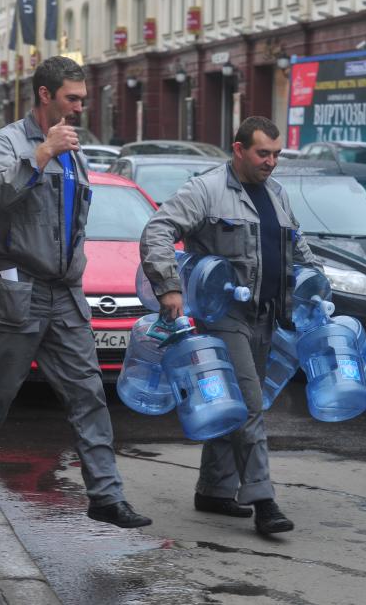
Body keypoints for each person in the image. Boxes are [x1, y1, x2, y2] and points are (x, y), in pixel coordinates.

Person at [0, 56, 151, 529]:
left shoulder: (75, 150)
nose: (79, 108)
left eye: (83, 100)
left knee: (88, 393)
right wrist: (42, 153)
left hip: (67, 292)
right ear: (46, 95)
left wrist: (78, 272)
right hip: (20, 290)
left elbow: (74, 222)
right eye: (72, 98)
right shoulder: (8, 142)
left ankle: (106, 496)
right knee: (0, 390)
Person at [140, 116, 319, 535]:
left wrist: (316, 282)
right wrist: (168, 287)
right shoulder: (206, 190)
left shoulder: (275, 193)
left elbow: (297, 246)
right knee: (250, 405)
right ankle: (264, 500)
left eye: (276, 154)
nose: (271, 162)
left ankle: (215, 490)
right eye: (263, 153)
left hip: (267, 316)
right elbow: (157, 230)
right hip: (223, 318)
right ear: (238, 150)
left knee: (235, 406)